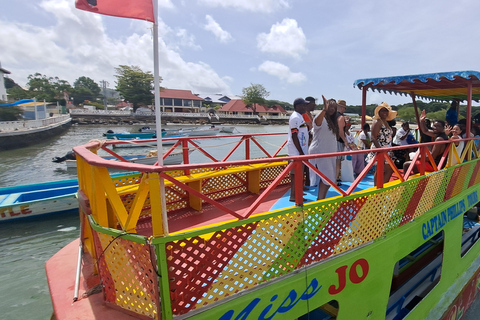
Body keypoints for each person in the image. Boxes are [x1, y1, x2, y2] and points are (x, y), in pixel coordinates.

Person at [308, 96, 339, 200]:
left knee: (328, 178)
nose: (332, 109)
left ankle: (321, 199)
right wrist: (324, 110)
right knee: (328, 178)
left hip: (329, 152)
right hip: (320, 151)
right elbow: (317, 123)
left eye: (334, 108)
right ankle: (320, 200)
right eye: (330, 107)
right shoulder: (320, 117)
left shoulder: (332, 121)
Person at [366, 102, 397, 185]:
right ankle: (378, 187)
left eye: (386, 111)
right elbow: (373, 137)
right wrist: (380, 150)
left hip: (386, 148)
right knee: (381, 169)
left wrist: (390, 149)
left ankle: (381, 187)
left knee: (387, 169)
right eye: (382, 111)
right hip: (380, 148)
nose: (384, 113)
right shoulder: (378, 122)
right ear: (379, 113)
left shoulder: (385, 122)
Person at [287, 97, 310, 202]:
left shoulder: (300, 116)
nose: (306, 107)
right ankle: (294, 195)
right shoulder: (295, 118)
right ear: (298, 106)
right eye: (304, 105)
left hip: (301, 149)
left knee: (299, 173)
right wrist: (300, 152)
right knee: (295, 174)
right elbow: (294, 136)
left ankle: (298, 191)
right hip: (295, 152)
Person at [335, 99, 348, 185]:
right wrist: (345, 141)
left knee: (334, 161)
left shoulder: (332, 115)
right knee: (338, 161)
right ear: (342, 108)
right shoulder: (340, 117)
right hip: (338, 141)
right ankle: (335, 179)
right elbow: (341, 131)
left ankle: (334, 178)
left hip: (332, 140)